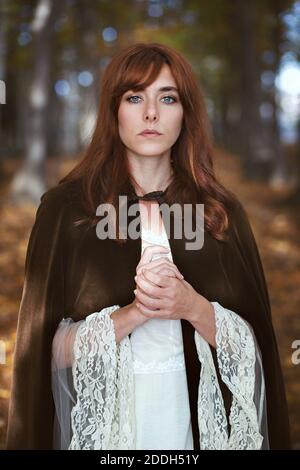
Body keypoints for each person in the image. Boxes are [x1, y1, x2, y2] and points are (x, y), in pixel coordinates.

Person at [6, 42, 291, 450]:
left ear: (185, 113)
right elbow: (43, 354)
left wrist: (191, 306)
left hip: (192, 428)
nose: (151, 114)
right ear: (113, 111)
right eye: (135, 97)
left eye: (168, 98)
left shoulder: (220, 213)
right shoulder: (66, 211)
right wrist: (135, 313)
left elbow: (255, 348)